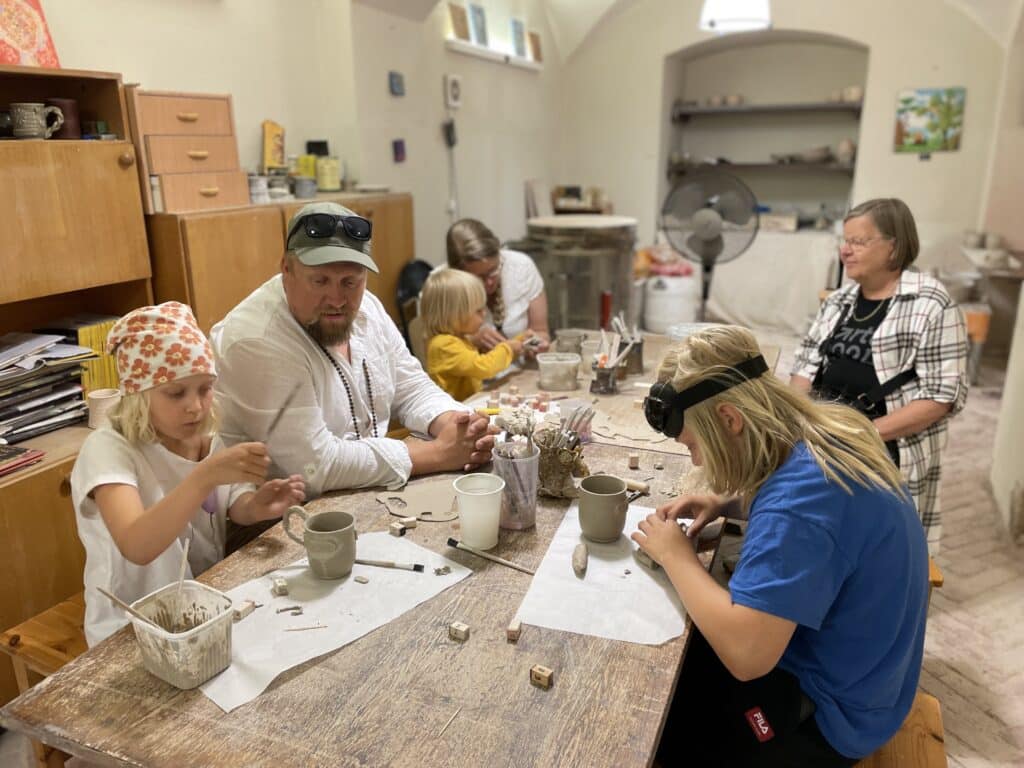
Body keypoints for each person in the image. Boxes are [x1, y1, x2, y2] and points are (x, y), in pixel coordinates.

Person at [633, 325, 929, 767]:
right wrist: (728, 500)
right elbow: (815, 515)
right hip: (875, 680)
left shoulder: (799, 507)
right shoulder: (831, 430)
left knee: (657, 724)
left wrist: (676, 556)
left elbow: (747, 657)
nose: (696, 460)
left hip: (833, 717)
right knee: (684, 654)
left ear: (731, 420)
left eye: (694, 444)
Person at [211, 202, 497, 496]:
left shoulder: (368, 307)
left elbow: (411, 387)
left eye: (350, 282)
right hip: (278, 523)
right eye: (320, 280)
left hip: (359, 493)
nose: (336, 299)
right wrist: (439, 453)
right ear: (287, 268)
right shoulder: (256, 340)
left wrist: (456, 424)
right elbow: (314, 466)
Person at [71, 302, 305, 646]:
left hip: (200, 603)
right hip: (128, 626)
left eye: (205, 388)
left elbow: (226, 504)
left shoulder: (206, 438)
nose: (195, 405)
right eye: (176, 393)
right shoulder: (108, 449)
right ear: (138, 394)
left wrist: (255, 506)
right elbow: (137, 545)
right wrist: (204, 477)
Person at [790, 198, 967, 553]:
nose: (846, 250)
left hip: (883, 450)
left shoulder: (931, 303)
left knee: (873, 550)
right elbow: (804, 368)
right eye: (845, 241)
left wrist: (861, 434)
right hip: (823, 439)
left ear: (894, 247)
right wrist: (798, 422)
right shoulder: (838, 302)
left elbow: (941, 397)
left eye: (858, 242)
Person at [420, 267, 534, 401]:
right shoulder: (443, 346)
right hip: (455, 413)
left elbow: (474, 362)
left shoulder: (458, 339)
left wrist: (519, 341)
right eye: (478, 311)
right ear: (454, 315)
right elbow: (484, 367)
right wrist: (509, 348)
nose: (484, 314)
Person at [446, 218, 550, 353]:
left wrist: (535, 344)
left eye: (493, 270)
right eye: (479, 278)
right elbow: (436, 353)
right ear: (458, 274)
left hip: (521, 370)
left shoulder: (522, 267)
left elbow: (541, 332)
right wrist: (471, 341)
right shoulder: (441, 289)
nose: (489, 282)